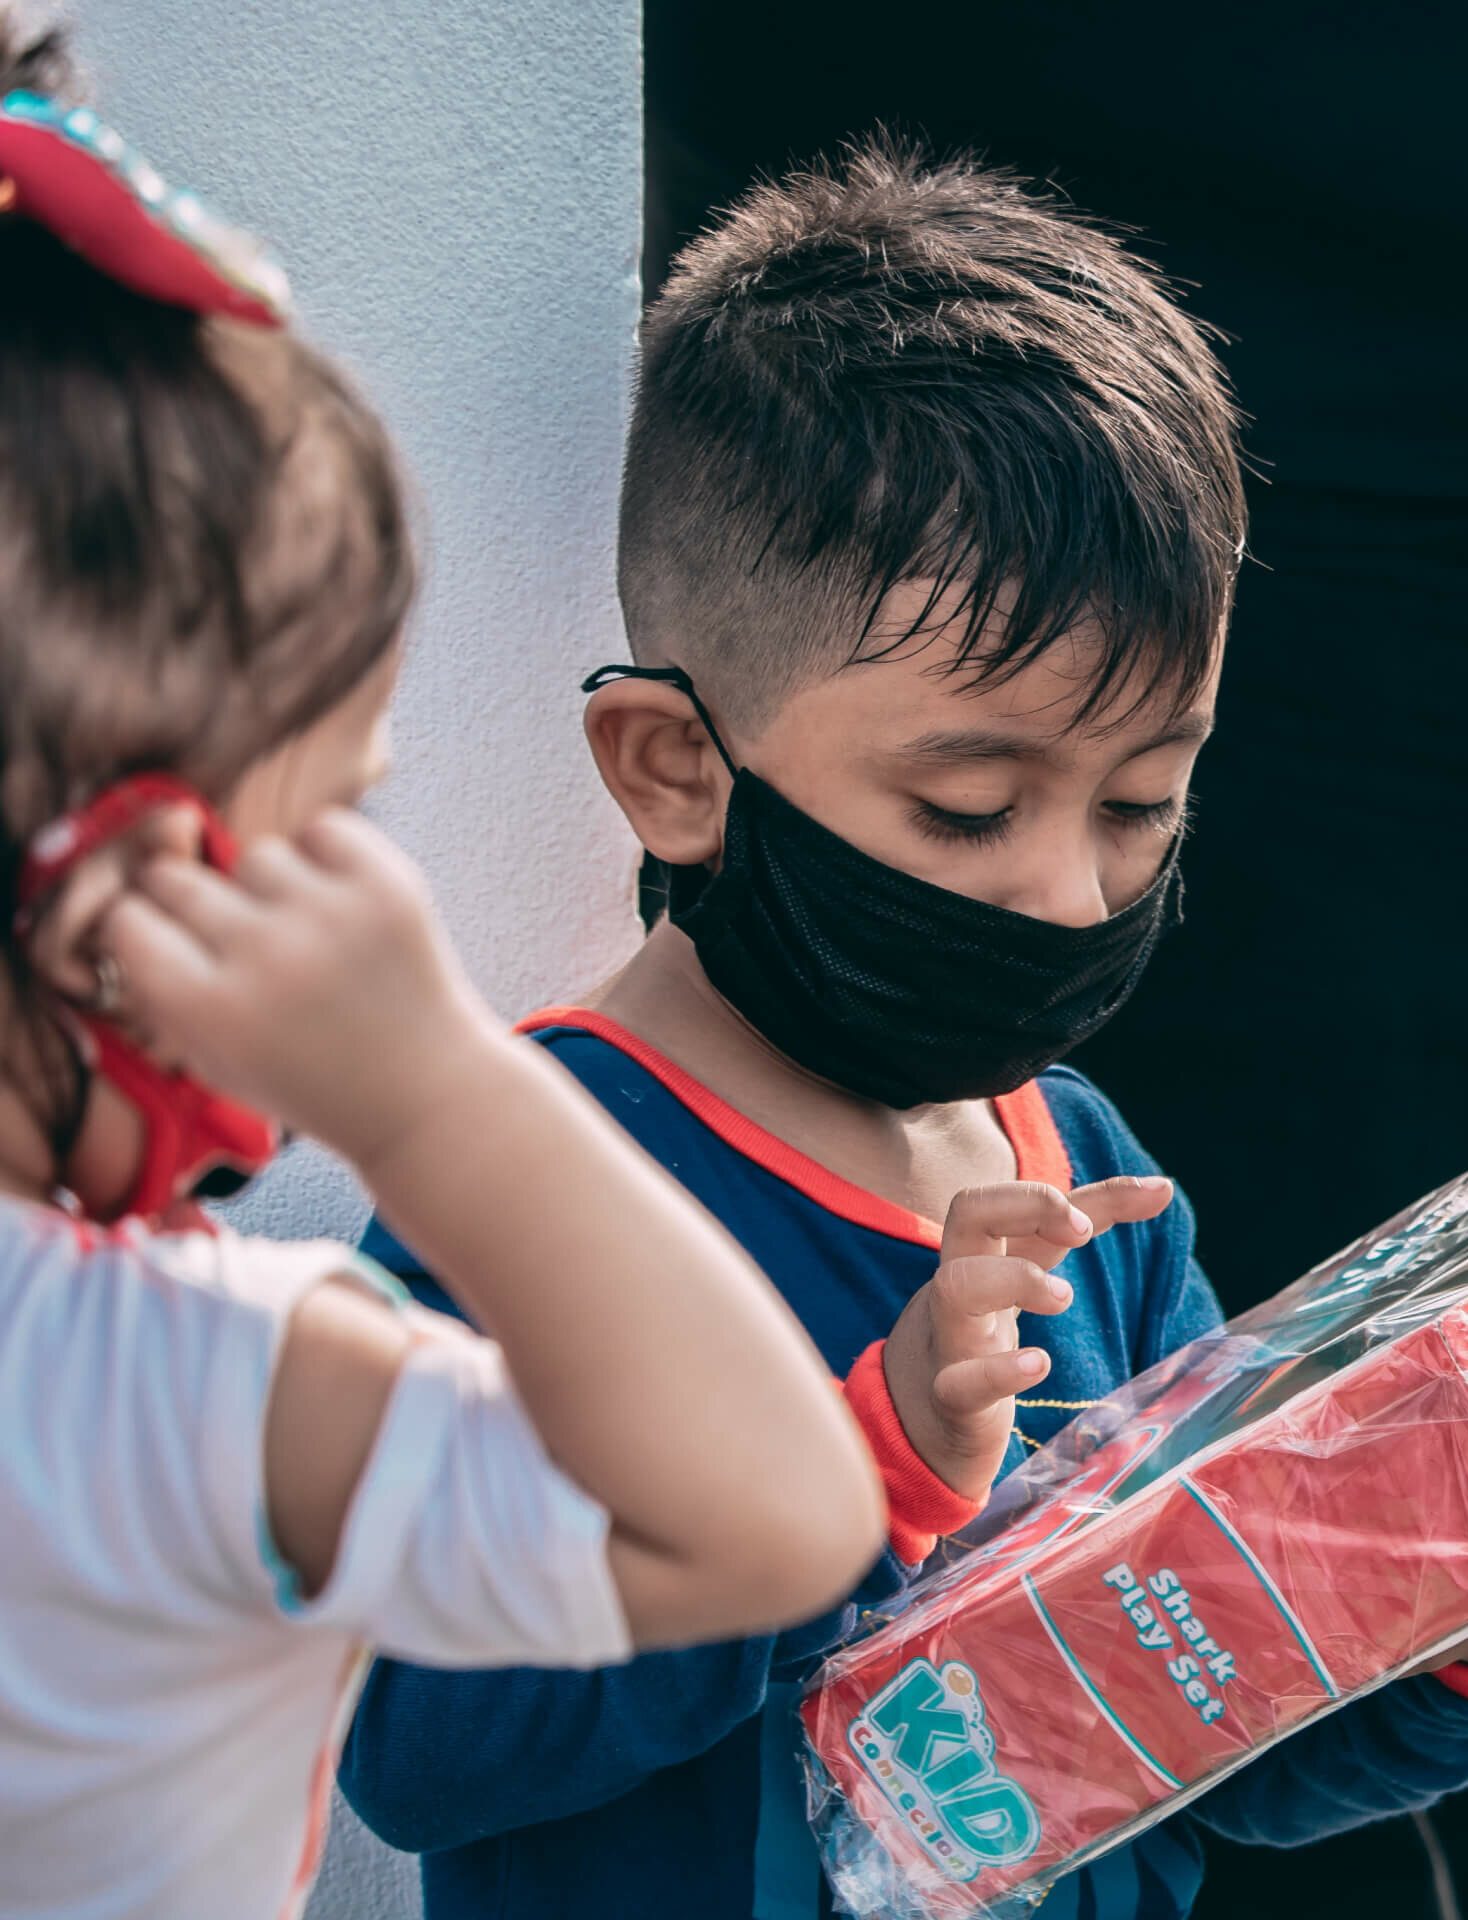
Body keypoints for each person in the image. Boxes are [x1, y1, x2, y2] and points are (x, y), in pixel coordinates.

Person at [340, 140, 1468, 1920]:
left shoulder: (1099, 1184)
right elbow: (410, 1744)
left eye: (1142, 804)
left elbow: (1210, 1747)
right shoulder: (526, 1188)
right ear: (675, 768)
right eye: (967, 809)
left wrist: (1434, 1600)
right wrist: (850, 1482)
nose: (1071, 896)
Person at [0, 22, 887, 1918]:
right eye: (331, 823)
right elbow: (783, 1516)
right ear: (129, 911)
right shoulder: (187, 1387)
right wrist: (429, 1091)